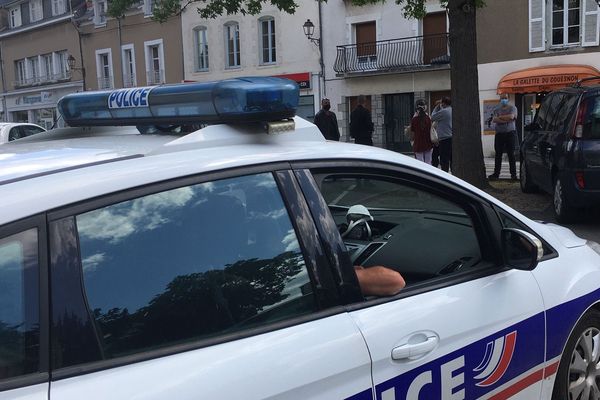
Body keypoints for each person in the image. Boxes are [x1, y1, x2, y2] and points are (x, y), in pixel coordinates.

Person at [488, 93, 518, 180]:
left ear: (508, 99)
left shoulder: (513, 108)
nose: (503, 100)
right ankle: (496, 174)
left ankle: (513, 175)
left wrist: (500, 118)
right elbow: (494, 119)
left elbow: (512, 116)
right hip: (499, 134)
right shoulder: (497, 109)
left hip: (510, 133)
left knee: (511, 154)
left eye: (505, 98)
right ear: (500, 99)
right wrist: (506, 119)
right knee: (498, 155)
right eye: (502, 98)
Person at [431, 97, 453, 172]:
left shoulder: (444, 111)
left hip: (444, 139)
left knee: (444, 160)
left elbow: (433, 117)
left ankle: (444, 174)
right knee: (451, 158)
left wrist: (436, 107)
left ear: (443, 103)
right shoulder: (451, 110)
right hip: (451, 137)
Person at [410, 99, 434, 164]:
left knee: (420, 163)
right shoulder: (428, 118)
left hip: (418, 143)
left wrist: (412, 141)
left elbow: (412, 132)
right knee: (428, 162)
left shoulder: (414, 119)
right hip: (428, 143)